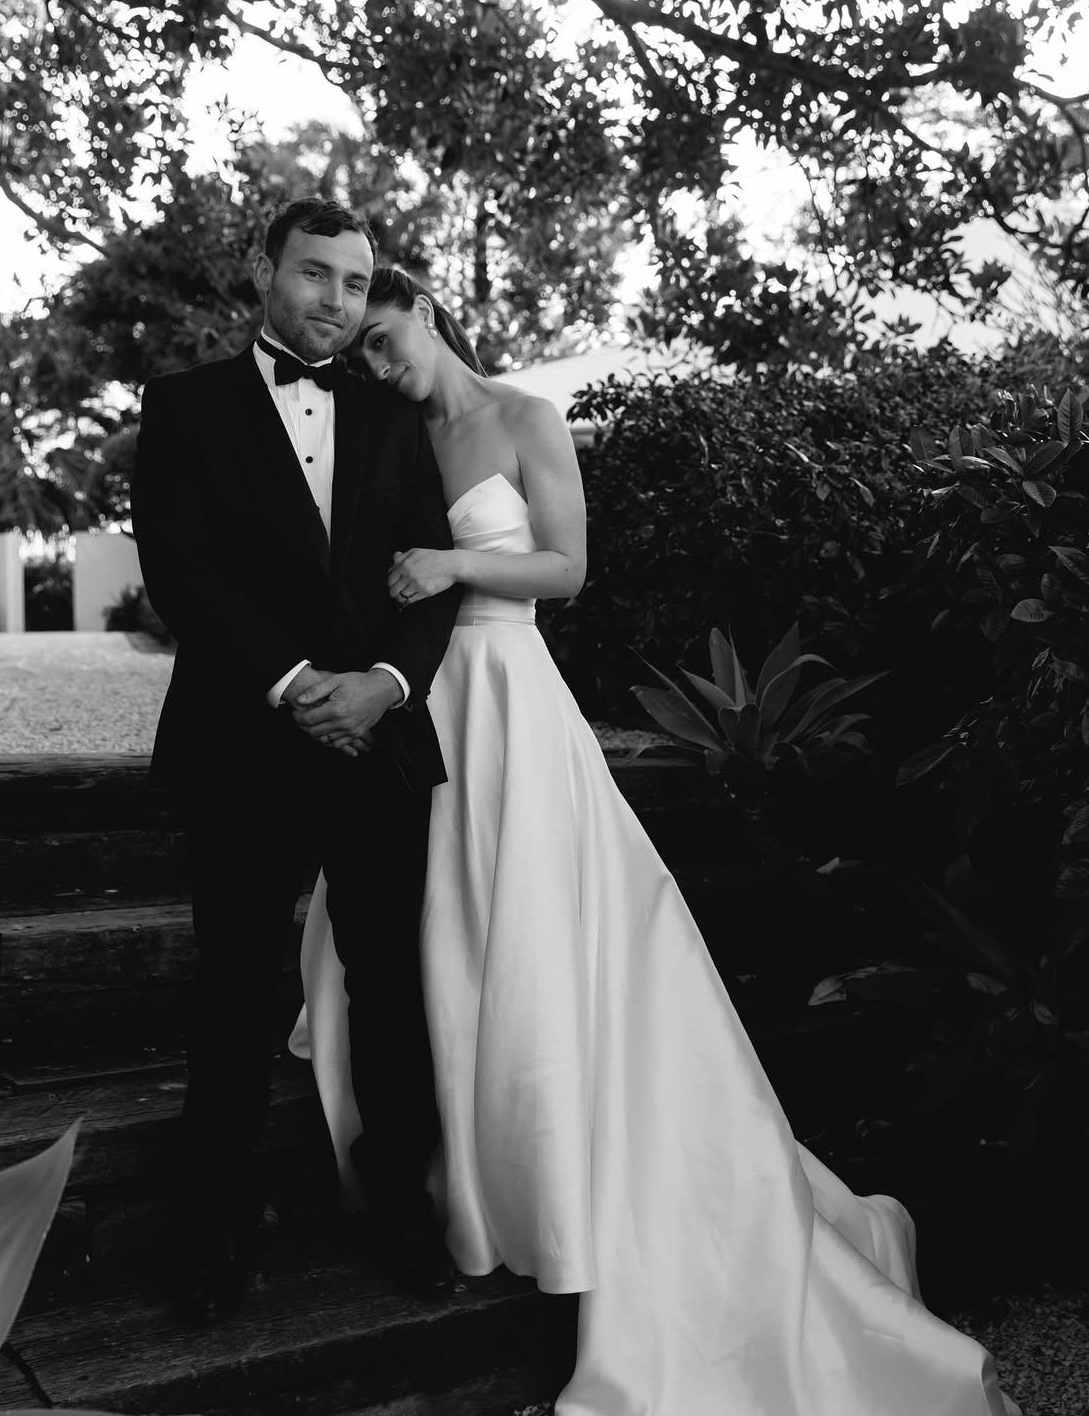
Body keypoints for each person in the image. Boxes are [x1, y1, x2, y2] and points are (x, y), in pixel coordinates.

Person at [289, 267, 1020, 1414]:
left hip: (511, 699)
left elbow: (567, 568)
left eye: (383, 340)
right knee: (427, 937)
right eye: (360, 356)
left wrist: (455, 562)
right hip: (419, 705)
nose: (376, 366)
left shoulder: (524, 418)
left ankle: (554, 1182)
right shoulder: (387, 440)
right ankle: (449, 1178)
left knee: (531, 939)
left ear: (424, 312)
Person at [130, 203, 462, 1323]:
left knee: (391, 988)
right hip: (241, 741)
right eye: (315, 273)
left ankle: (401, 1205)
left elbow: (431, 573)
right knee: (232, 988)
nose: (335, 299)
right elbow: (181, 575)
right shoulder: (185, 406)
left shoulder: (394, 417)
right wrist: (296, 685)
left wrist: (387, 684)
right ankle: (212, 1229)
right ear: (264, 271)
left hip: (379, 745)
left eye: (355, 282)